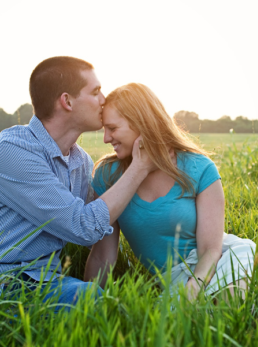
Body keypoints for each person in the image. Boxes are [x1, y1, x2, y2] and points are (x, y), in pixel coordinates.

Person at [85, 83, 258, 301]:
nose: (105, 138)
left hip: (213, 263)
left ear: (141, 124)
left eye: (112, 128)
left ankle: (218, 308)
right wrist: (86, 303)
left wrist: (193, 290)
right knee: (174, 316)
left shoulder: (199, 168)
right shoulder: (107, 175)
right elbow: (103, 256)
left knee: (241, 264)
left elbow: (210, 250)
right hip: (173, 280)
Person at [0, 57, 155, 305]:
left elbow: (101, 221)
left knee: (109, 307)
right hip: (8, 280)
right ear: (67, 101)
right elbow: (82, 226)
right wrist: (139, 168)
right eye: (95, 92)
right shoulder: (12, 151)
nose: (104, 99)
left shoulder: (81, 161)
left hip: (46, 281)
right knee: (103, 307)